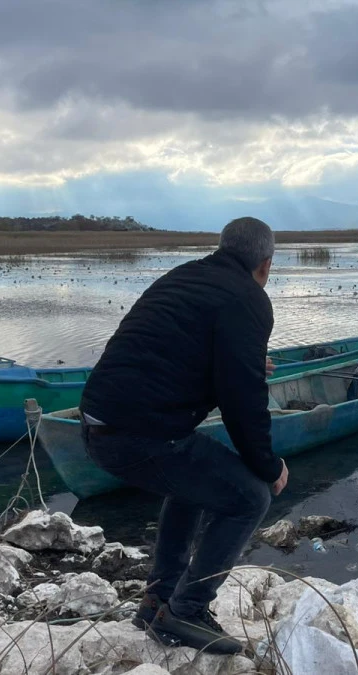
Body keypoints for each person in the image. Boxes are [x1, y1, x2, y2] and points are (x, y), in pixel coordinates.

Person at [79, 217, 289, 654]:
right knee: (251, 497)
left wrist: (247, 364)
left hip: (97, 422)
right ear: (266, 264)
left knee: (191, 483)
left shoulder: (184, 276)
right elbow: (242, 402)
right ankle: (187, 609)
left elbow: (175, 352)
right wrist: (268, 466)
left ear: (222, 248)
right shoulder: (249, 298)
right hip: (140, 433)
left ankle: (158, 599)